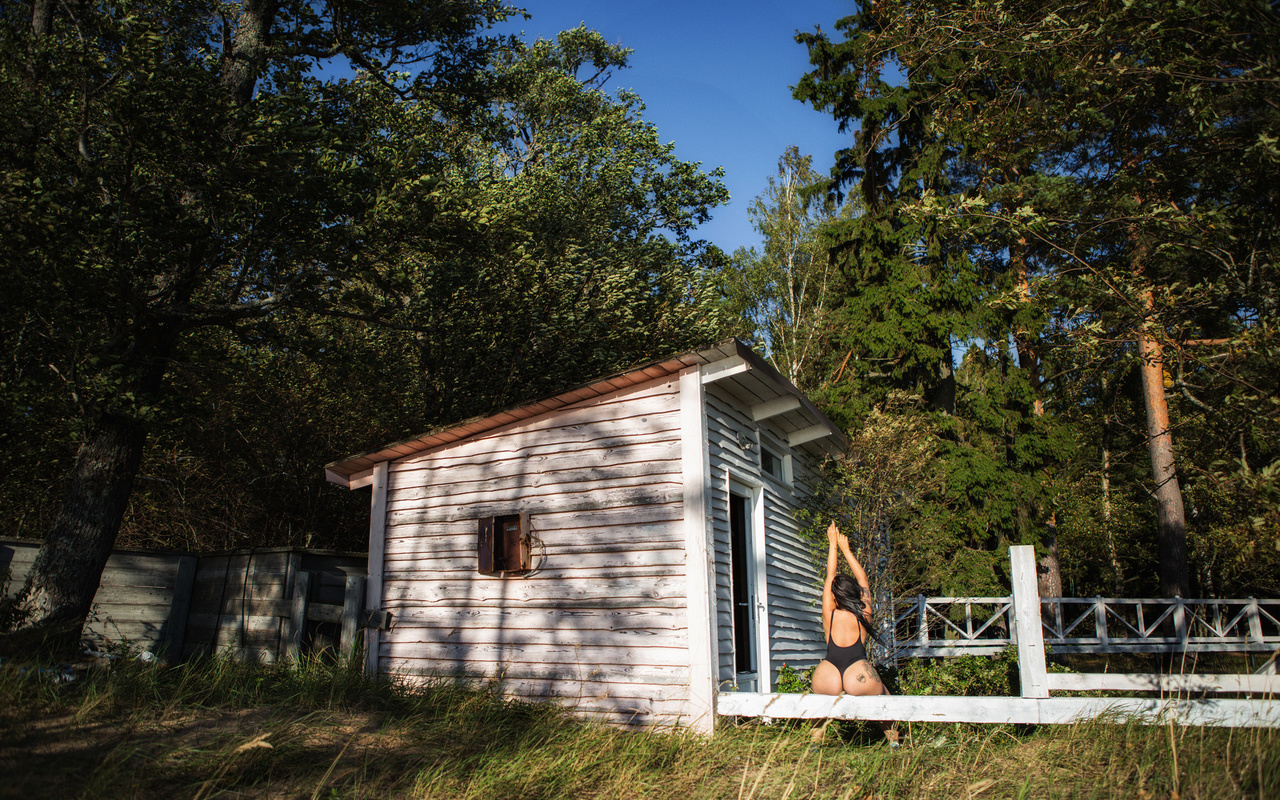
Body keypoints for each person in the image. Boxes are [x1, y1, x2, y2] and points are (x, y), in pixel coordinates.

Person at [811, 521, 898, 745]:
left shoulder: (829, 613)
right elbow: (863, 581)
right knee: (884, 698)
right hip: (857, 672)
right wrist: (846, 550)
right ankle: (894, 743)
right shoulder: (863, 614)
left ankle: (814, 744)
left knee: (820, 710)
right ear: (855, 594)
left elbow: (830, 576)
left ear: (834, 596)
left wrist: (832, 544)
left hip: (828, 671)